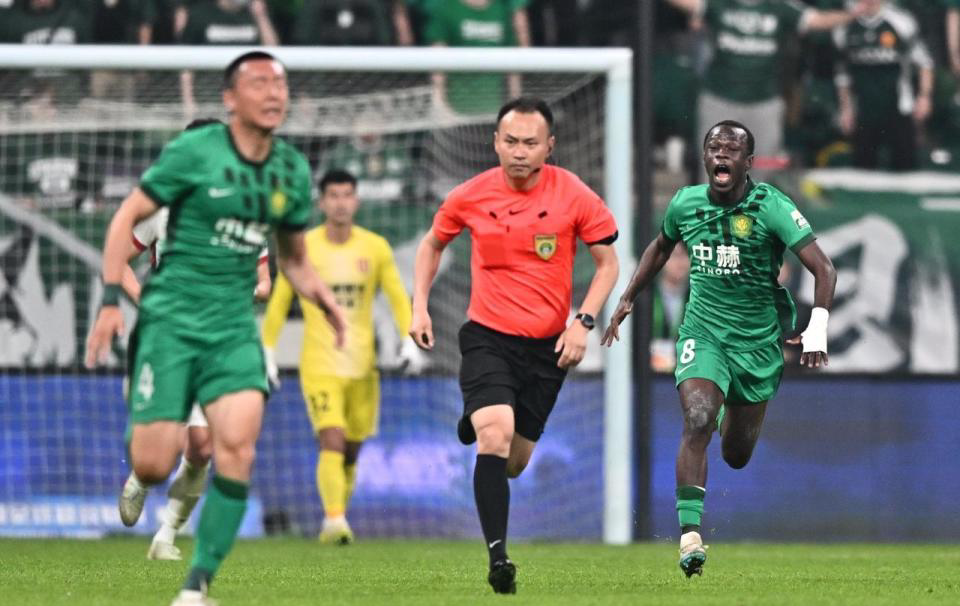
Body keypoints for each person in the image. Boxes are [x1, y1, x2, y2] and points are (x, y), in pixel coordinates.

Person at [85, 51, 347, 606]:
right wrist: (111, 300)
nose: (273, 93)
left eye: (280, 83)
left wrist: (326, 301)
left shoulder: (290, 170)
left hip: (232, 333)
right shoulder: (192, 155)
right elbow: (124, 218)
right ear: (230, 98)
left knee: (232, 450)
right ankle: (141, 476)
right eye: (259, 83)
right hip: (172, 326)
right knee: (154, 460)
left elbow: (293, 259)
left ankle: (195, 585)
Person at [602, 120, 837, 578]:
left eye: (732, 149)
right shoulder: (685, 203)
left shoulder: (771, 207)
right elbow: (660, 246)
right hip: (703, 333)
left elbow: (824, 269)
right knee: (697, 418)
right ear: (705, 158)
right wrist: (629, 295)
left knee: (736, 454)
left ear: (748, 162)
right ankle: (690, 537)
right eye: (714, 147)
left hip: (757, 344)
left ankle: (731, 405)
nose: (722, 154)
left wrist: (818, 328)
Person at [410, 97, 620, 594]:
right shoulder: (471, 195)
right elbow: (432, 243)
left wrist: (583, 322)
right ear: (495, 143)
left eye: (530, 142)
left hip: (548, 349)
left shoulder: (573, 193)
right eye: (510, 141)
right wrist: (418, 306)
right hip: (488, 338)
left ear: (549, 146)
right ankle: (498, 558)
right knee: (495, 433)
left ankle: (479, 415)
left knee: (514, 462)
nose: (519, 151)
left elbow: (608, 264)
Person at [113, 119, 272, 562]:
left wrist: (252, 288)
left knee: (202, 446)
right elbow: (118, 260)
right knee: (156, 455)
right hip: (168, 338)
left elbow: (264, 279)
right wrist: (146, 300)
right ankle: (141, 477)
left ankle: (166, 536)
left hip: (219, 339)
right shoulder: (161, 209)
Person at [260, 168, 423, 545]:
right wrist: (267, 350)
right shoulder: (303, 247)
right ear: (321, 202)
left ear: (357, 201)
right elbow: (280, 301)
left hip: (363, 366)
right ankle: (335, 520)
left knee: (350, 452)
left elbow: (397, 297)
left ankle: (335, 518)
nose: (340, 203)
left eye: (347, 195)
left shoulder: (375, 247)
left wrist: (409, 339)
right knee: (331, 439)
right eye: (333, 196)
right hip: (319, 364)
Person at [663, 0, 865, 166]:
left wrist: (854, 14)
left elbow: (817, 20)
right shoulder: (720, 3)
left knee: (763, 168)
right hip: (720, 98)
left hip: (764, 102)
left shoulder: (779, 7)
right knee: (716, 169)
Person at [834, 0, 934, 171]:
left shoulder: (901, 22)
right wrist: (846, 109)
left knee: (905, 170)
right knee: (863, 171)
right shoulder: (844, 28)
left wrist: (924, 96)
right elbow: (842, 75)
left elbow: (925, 62)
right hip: (863, 111)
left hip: (899, 108)